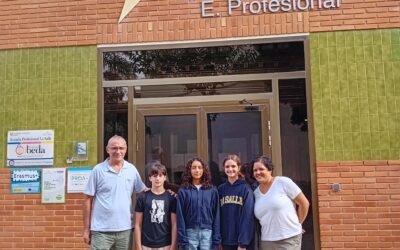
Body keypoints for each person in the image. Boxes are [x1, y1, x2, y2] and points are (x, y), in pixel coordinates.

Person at [83, 135, 147, 250]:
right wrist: (86, 229)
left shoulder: (131, 169)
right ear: (107, 149)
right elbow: (88, 200)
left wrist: (166, 192)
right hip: (101, 231)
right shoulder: (98, 170)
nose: (118, 151)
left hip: (125, 230)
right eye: (114, 148)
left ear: (126, 150)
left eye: (121, 148)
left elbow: (144, 191)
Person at [252, 156, 309, 250]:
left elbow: (304, 203)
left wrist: (298, 224)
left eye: (261, 169)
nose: (258, 172)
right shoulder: (255, 193)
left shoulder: (283, 182)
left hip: (288, 238)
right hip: (267, 241)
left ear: (270, 170)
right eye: (255, 170)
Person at [176, 157, 221, 250]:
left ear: (204, 170)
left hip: (207, 234)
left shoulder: (212, 190)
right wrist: (182, 239)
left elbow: (216, 215)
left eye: (200, 167)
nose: (197, 170)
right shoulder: (183, 191)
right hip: (189, 234)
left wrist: (216, 239)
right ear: (189, 170)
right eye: (194, 168)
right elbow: (180, 216)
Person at [134, 163, 177, 250]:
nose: (157, 178)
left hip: (165, 244)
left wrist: (173, 246)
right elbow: (137, 224)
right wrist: (138, 247)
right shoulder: (143, 197)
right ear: (150, 178)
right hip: (146, 245)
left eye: (160, 175)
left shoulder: (171, 197)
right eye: (154, 175)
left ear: (165, 178)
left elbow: (174, 224)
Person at [218, 154, 255, 250]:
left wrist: (243, 243)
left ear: (239, 168)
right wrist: (218, 240)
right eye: (227, 166)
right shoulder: (220, 189)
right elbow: (217, 216)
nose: (230, 169)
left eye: (233, 166)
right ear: (224, 168)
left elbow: (248, 217)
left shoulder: (246, 189)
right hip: (225, 241)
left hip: (241, 242)